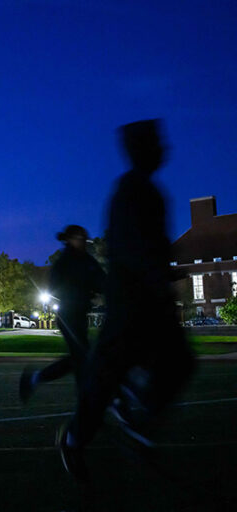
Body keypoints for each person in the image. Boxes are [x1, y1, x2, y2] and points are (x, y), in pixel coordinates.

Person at [58, 120, 195, 480]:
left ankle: (138, 413)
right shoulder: (133, 192)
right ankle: (75, 438)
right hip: (130, 304)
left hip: (146, 300)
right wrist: (159, 282)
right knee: (104, 377)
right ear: (145, 150)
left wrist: (166, 277)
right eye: (158, 144)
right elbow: (132, 252)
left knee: (177, 363)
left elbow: (147, 250)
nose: (165, 149)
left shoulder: (147, 191)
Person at [19, 225, 104, 402]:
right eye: (80, 238)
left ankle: (85, 404)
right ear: (70, 239)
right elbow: (55, 288)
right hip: (68, 316)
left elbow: (102, 281)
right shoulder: (65, 262)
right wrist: (84, 292)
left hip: (79, 315)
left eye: (84, 238)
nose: (83, 241)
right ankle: (37, 378)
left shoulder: (87, 260)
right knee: (81, 357)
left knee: (81, 359)